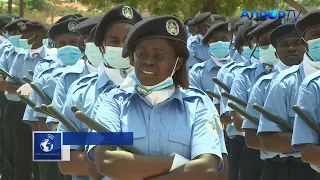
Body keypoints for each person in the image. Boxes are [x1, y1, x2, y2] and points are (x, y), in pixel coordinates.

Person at [86, 15, 224, 179]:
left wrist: (132, 166)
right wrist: (177, 163)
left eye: (159, 57)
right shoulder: (109, 100)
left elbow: (207, 169)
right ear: (132, 58)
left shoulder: (198, 104)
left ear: (177, 63)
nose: (149, 62)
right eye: (142, 54)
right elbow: (103, 162)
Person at [56, 5, 143, 180]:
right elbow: (63, 160)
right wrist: (136, 166)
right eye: (114, 41)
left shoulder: (158, 93)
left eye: (127, 41)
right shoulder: (79, 91)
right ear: (102, 46)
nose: (121, 47)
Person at [258, 10, 320, 180]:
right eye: (316, 36)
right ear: (305, 43)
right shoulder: (285, 83)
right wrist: (308, 142)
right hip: (298, 170)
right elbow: (268, 140)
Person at [243, 23, 305, 180]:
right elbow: (251, 138)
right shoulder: (264, 85)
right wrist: (309, 142)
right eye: (284, 45)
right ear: (276, 54)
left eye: (297, 43)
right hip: (277, 168)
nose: (291, 48)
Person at [224, 18, 282, 180]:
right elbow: (239, 121)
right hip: (254, 152)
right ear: (255, 46)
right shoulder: (244, 77)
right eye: (264, 43)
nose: (270, 47)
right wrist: (280, 135)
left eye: (274, 41)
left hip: (296, 160)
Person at [3, 20, 49, 180]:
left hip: (46, 114)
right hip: (20, 109)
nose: (26, 38)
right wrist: (23, 89)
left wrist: (33, 89)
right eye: (24, 35)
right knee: (20, 154)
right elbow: (8, 86)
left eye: (31, 34)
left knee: (45, 158)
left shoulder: (52, 58)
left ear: (43, 36)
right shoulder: (20, 56)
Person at [45, 15, 102, 130]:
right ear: (83, 44)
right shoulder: (69, 78)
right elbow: (55, 125)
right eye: (93, 40)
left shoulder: (134, 79)